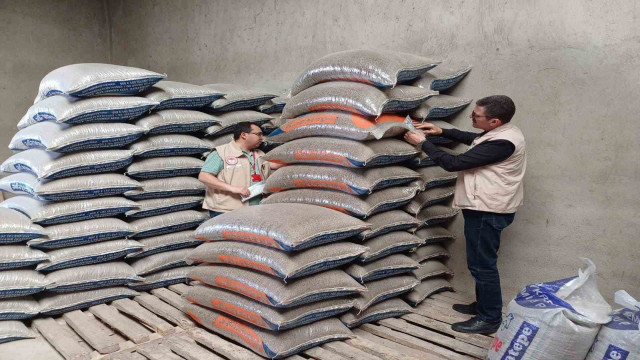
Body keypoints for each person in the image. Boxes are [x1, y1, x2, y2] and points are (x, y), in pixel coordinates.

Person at [404, 95, 526, 334]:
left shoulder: (503, 143)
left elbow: (454, 163)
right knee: (483, 263)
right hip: (488, 206)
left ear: (495, 121)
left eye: (476, 116)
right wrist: (442, 131)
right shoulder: (503, 133)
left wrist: (423, 143)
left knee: (482, 266)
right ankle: (484, 306)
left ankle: (490, 318)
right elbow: (476, 140)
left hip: (487, 210)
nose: (471, 117)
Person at [198, 122, 281, 217]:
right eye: (258, 134)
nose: (262, 138)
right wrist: (233, 188)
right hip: (226, 211)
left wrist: (297, 155)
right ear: (244, 135)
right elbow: (204, 176)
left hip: (256, 209)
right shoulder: (221, 152)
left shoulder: (259, 154)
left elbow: (274, 164)